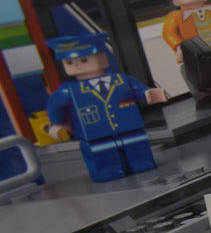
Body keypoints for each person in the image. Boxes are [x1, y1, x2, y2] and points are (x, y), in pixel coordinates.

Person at [43, 33, 165, 182]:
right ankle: (109, 171)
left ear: (103, 57)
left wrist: (148, 94)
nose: (77, 65)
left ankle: (141, 163)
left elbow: (139, 90)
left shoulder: (121, 80)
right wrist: (57, 124)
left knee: (137, 148)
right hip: (96, 134)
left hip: (129, 128)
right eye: (69, 62)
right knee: (103, 155)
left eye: (84, 60)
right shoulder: (69, 89)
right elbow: (54, 105)